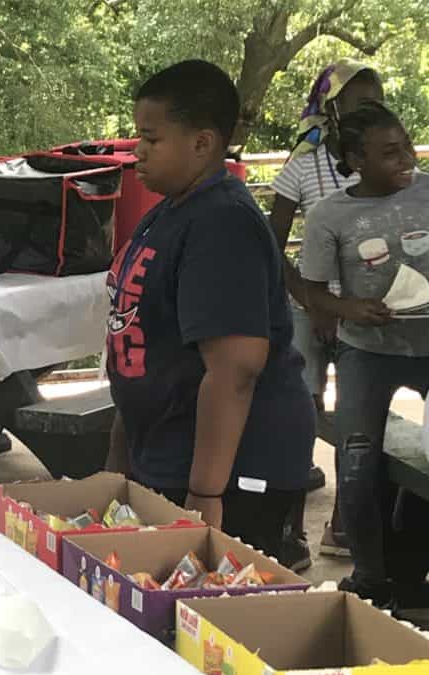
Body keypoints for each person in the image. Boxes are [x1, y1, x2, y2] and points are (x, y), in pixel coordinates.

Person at [104, 60, 315, 559]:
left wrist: (205, 493)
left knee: (211, 624)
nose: (139, 150)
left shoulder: (223, 224)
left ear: (201, 142)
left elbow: (235, 369)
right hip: (167, 452)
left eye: (151, 139)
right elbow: (135, 339)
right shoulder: (169, 211)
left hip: (232, 471)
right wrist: (120, 457)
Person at [301, 101, 429, 607]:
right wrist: (349, 306)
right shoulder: (330, 215)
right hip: (366, 351)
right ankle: (370, 577)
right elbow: (312, 291)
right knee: (356, 463)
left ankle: (410, 565)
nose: (406, 160)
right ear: (356, 159)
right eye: (390, 153)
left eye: (407, 147)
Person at [270, 60, 384, 562]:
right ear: (332, 109)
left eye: (375, 101)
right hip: (306, 308)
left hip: (361, 312)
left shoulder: (382, 162)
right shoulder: (302, 165)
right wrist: (310, 300)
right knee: (299, 413)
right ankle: (289, 530)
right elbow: (271, 243)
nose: (369, 110)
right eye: (358, 102)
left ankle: (341, 525)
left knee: (355, 416)